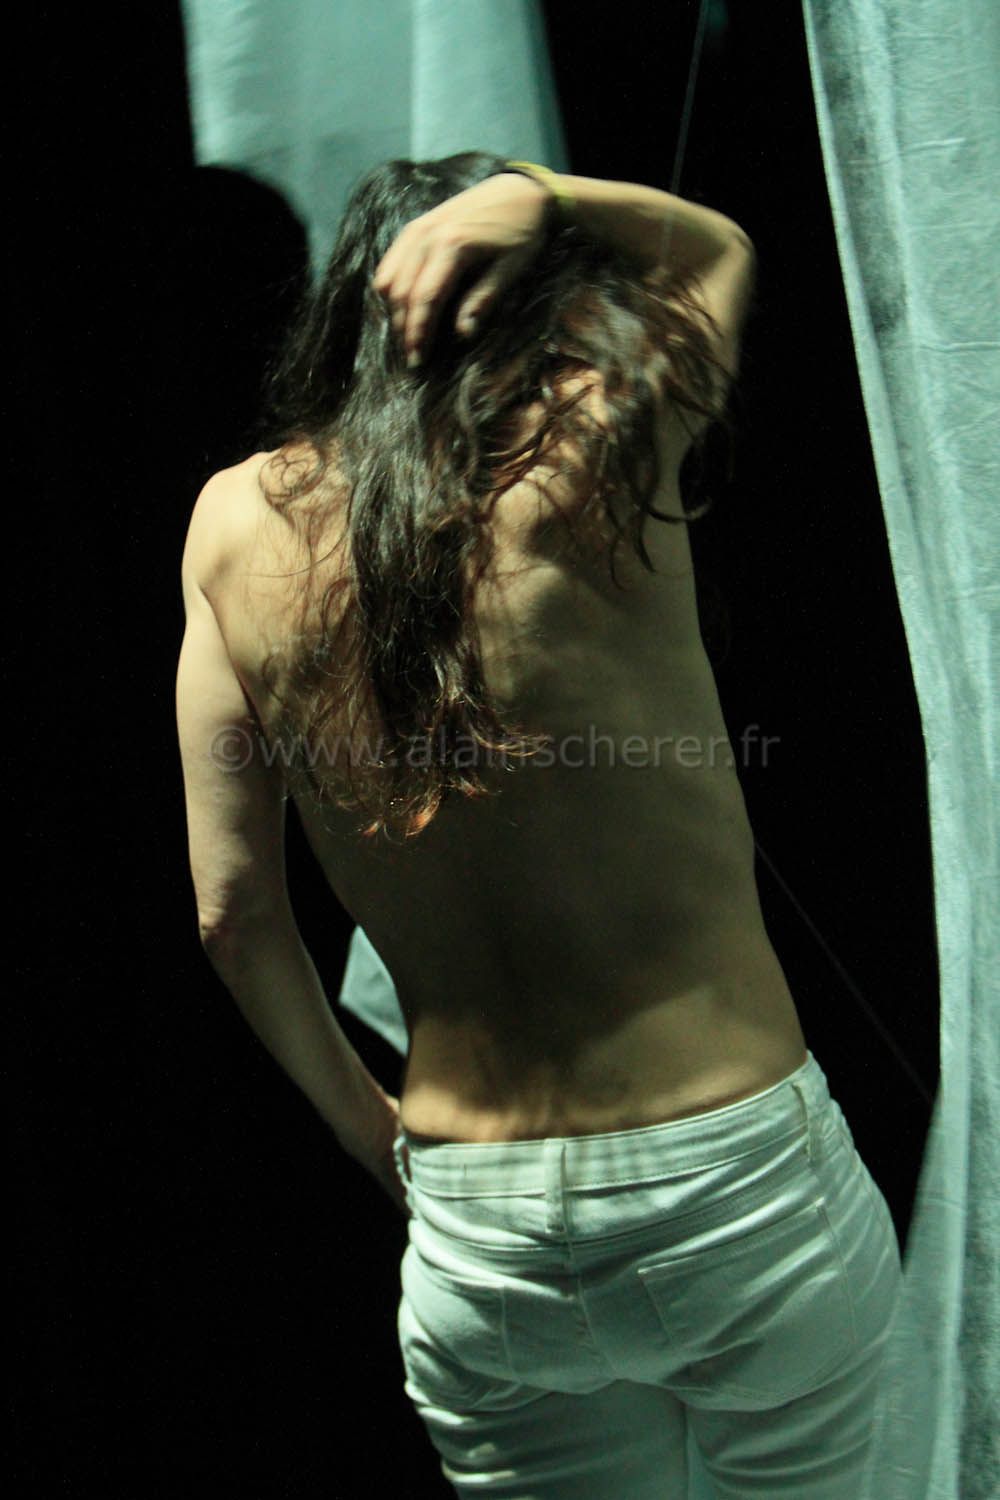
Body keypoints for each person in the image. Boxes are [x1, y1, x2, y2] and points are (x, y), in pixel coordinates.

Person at [176, 154, 902, 1499]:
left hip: (475, 1231)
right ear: (545, 297)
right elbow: (718, 249)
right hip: (732, 1189)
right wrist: (550, 199)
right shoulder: (592, 448)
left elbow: (235, 916)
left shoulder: (231, 523)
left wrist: (372, 1133)